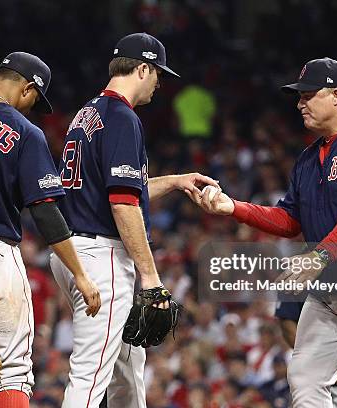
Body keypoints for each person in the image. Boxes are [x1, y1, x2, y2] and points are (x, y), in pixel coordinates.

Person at [188, 57, 337, 407]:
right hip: (333, 282)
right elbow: (290, 220)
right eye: (299, 96)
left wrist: (318, 257)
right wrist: (233, 207)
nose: (300, 103)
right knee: (304, 375)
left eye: (308, 95)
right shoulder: (308, 158)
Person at [50, 33, 217, 408]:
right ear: (142, 68)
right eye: (157, 73)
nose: (159, 82)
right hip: (100, 257)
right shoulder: (123, 117)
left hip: (76, 248)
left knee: (127, 370)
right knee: (90, 378)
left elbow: (121, 187)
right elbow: (123, 203)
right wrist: (151, 277)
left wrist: (174, 181)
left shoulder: (88, 113)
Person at [0, 52, 101, 408]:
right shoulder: (25, 131)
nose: (31, 109)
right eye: (34, 101)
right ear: (27, 88)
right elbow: (45, 212)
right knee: (10, 369)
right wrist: (80, 274)